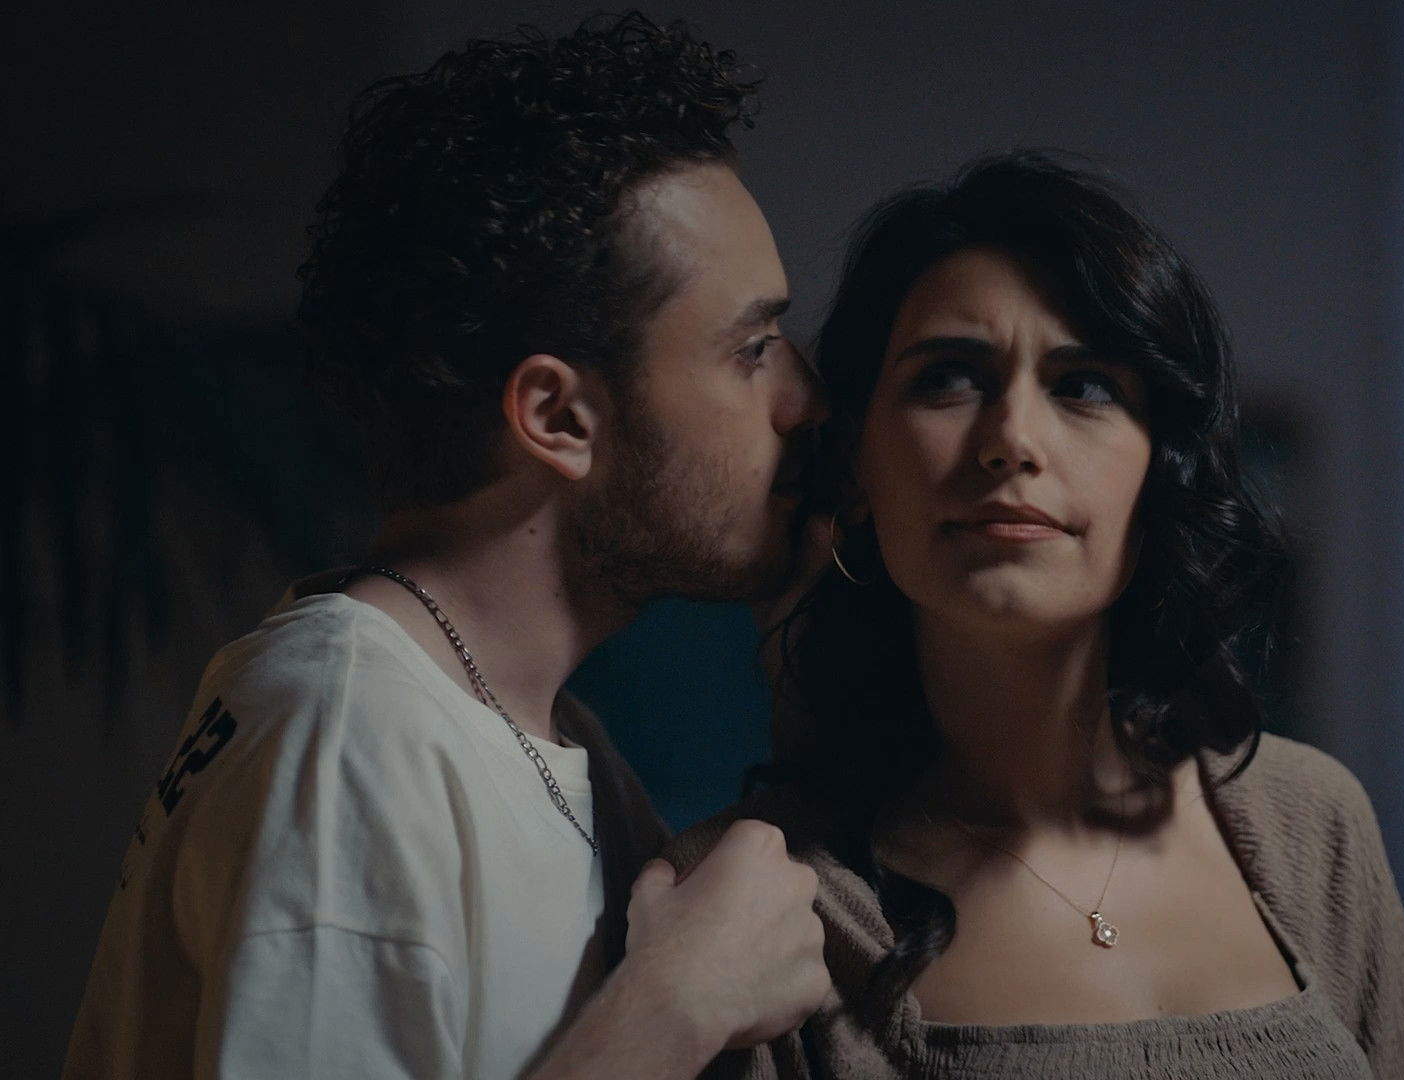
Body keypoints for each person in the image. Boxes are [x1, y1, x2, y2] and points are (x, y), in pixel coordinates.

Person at [64, 15, 831, 1080]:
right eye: (752, 348)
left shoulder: (538, 738)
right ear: (557, 418)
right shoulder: (351, 734)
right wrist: (673, 1005)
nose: (805, 399)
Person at [664, 152, 1404, 1078]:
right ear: (854, 465)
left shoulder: (1309, 823)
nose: (1012, 441)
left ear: (1157, 471)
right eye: (948, 378)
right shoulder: (752, 904)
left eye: (1083, 386)